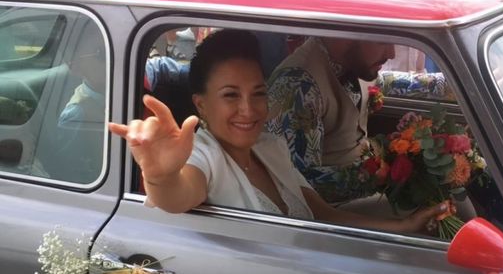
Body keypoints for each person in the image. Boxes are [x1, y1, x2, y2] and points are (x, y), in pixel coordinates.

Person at [108, 30, 449, 234]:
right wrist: (160, 176)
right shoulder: (204, 155)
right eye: (230, 95)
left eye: (258, 93)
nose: (248, 109)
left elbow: (323, 214)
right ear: (201, 104)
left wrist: (404, 229)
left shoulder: (270, 145)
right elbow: (177, 194)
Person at [266, 37, 396, 203]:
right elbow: (298, 185)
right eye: (383, 42)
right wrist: (374, 176)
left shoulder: (357, 63)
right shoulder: (298, 85)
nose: (392, 54)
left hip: (365, 192)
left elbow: (387, 82)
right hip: (331, 211)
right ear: (347, 34)